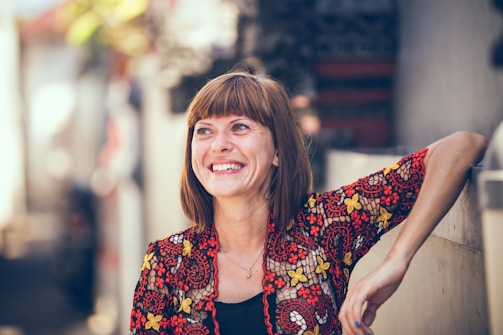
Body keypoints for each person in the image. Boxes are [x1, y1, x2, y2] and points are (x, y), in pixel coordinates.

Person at [129, 71, 487, 335]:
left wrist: (397, 260)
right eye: (204, 130)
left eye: (239, 127)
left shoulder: (324, 225)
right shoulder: (166, 263)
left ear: (278, 151)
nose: (218, 144)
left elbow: (462, 146)